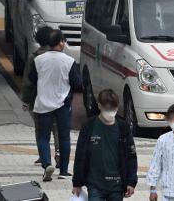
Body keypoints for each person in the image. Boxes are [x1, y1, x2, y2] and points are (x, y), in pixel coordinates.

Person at [28, 29, 81, 181]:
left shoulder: (39, 59)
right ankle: (63, 171)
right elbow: (76, 83)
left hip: (43, 103)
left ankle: (46, 164)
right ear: (61, 42)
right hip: (62, 104)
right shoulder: (69, 61)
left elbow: (32, 79)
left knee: (43, 136)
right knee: (64, 137)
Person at [72, 89, 138, 201]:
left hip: (117, 185)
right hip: (95, 185)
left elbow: (131, 156)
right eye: (107, 109)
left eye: (114, 109)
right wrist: (77, 183)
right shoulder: (89, 126)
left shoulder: (123, 128)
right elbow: (80, 154)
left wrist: (131, 182)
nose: (111, 112)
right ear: (99, 106)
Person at [22, 26, 60, 167]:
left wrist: (26, 101)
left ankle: (43, 156)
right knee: (56, 127)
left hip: (39, 99)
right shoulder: (61, 57)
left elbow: (28, 82)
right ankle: (59, 151)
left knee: (41, 129)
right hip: (57, 99)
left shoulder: (34, 58)